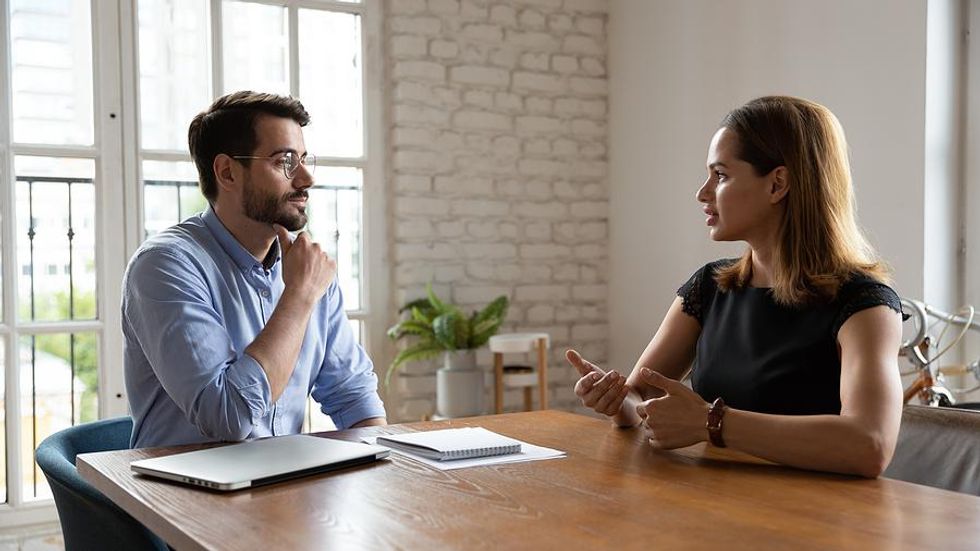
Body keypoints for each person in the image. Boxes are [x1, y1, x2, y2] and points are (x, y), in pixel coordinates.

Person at [567, 96, 903, 477]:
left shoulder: (865, 304)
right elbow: (639, 399)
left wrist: (710, 423)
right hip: (712, 507)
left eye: (721, 175)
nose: (703, 193)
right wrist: (616, 402)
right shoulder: (708, 288)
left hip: (815, 523)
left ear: (778, 184)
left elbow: (870, 444)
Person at [122, 91, 386, 448]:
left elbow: (354, 398)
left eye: (305, 160)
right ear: (228, 172)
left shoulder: (306, 267)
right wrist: (299, 295)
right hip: (185, 496)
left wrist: (381, 471)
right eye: (285, 163)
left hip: (281, 488)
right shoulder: (165, 266)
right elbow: (228, 418)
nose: (306, 178)